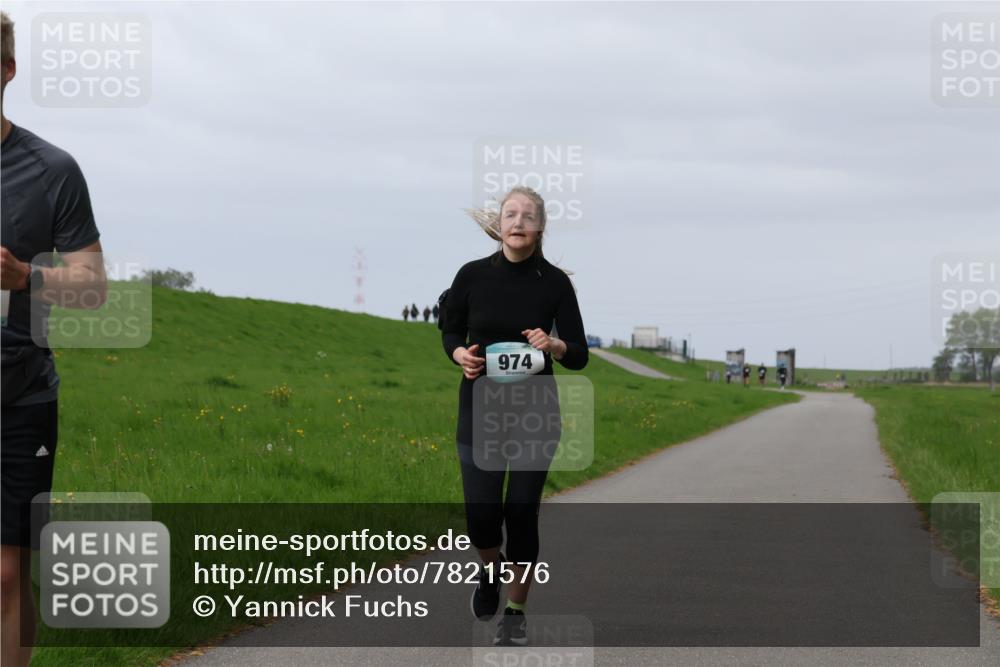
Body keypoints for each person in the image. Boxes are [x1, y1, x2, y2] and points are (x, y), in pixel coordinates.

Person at [1, 12, 107, 666]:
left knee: (7, 575)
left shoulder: (51, 169)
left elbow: (92, 284)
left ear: (6, 72)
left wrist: (26, 276)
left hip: (20, 399)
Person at [441, 186, 588, 646]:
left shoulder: (555, 285)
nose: (519, 221)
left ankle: (516, 613)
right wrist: (460, 354)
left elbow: (579, 355)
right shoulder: (471, 276)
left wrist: (555, 345)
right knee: (482, 518)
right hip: (479, 413)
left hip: (535, 417)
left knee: (521, 512)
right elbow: (450, 330)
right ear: (500, 224)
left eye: (528, 215)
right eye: (511, 213)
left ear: (540, 227)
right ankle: (490, 572)